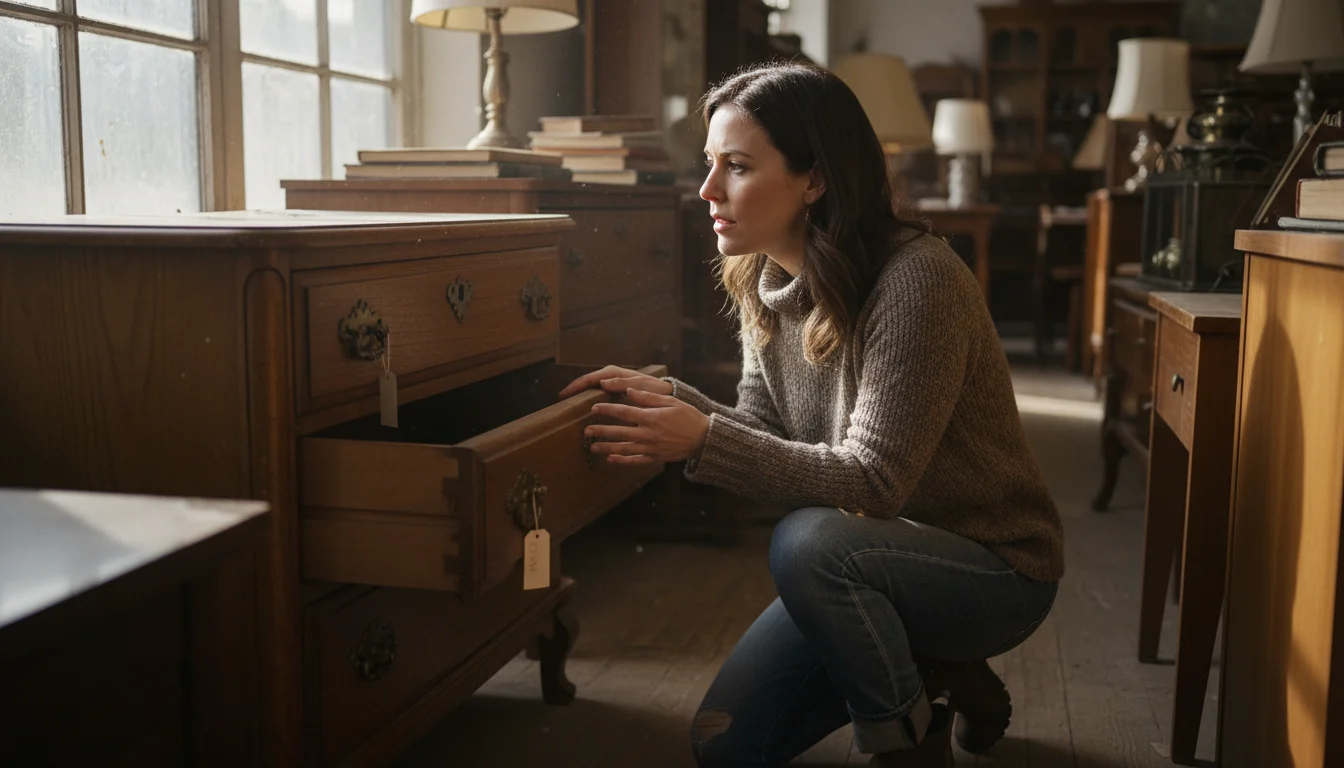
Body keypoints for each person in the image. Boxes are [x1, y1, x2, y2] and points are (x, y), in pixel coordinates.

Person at [558, 62, 1064, 767]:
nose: (707, 190)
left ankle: (903, 738)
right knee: (725, 745)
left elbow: (876, 481)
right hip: (865, 563)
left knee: (804, 543)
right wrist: (672, 399)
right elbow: (763, 431)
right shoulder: (761, 276)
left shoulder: (918, 280)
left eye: (736, 166)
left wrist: (700, 437)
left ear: (815, 179)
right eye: (709, 164)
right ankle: (944, 674)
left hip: (993, 572)